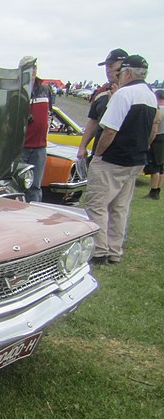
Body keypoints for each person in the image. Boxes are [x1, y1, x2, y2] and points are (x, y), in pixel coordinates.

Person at [84, 55, 157, 265]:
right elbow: (153, 129)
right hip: (136, 159)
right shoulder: (149, 95)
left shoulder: (124, 94)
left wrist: (98, 154)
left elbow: (109, 130)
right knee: (120, 207)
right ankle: (114, 251)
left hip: (113, 159)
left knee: (97, 204)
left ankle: (98, 250)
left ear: (126, 72)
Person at [77, 49, 129, 164]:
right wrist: (82, 146)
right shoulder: (102, 92)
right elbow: (93, 121)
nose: (108, 71)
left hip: (123, 156)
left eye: (111, 66)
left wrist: (116, 100)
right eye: (106, 67)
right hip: (100, 153)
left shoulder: (131, 92)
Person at [21, 57, 53, 203]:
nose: (32, 71)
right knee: (19, 183)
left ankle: (34, 214)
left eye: (34, 67)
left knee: (35, 186)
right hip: (21, 147)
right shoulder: (17, 89)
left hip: (39, 147)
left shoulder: (45, 89)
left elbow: (50, 114)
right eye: (28, 68)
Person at [147, 89, 164, 199]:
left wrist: (149, 142)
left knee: (154, 166)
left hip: (157, 138)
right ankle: (158, 188)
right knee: (161, 166)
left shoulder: (158, 111)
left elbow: (154, 127)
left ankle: (153, 191)